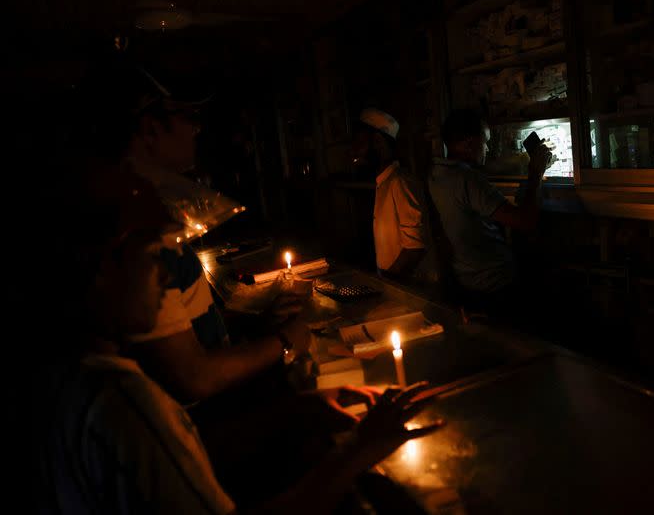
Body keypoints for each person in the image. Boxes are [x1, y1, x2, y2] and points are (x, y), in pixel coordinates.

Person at [28, 166, 443, 514]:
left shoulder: (63, 376)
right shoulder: (121, 401)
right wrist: (361, 451)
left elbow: (187, 454)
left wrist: (298, 410)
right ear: (104, 267)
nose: (167, 276)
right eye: (154, 256)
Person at [76, 59, 309, 404]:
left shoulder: (150, 211)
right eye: (188, 117)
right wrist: (284, 341)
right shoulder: (134, 232)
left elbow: (188, 328)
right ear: (150, 128)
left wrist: (257, 323)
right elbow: (191, 377)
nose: (197, 130)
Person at [427, 109, 552, 300]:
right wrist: (536, 172)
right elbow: (525, 221)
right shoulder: (468, 179)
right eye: (485, 142)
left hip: (465, 278)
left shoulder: (436, 173)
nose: (487, 149)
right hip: (494, 282)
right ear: (470, 143)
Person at [352, 108, 428, 280]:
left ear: (378, 142)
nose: (355, 153)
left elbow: (415, 248)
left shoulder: (399, 181)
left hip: (410, 290)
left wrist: (388, 284)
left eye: (360, 144)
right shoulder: (383, 183)